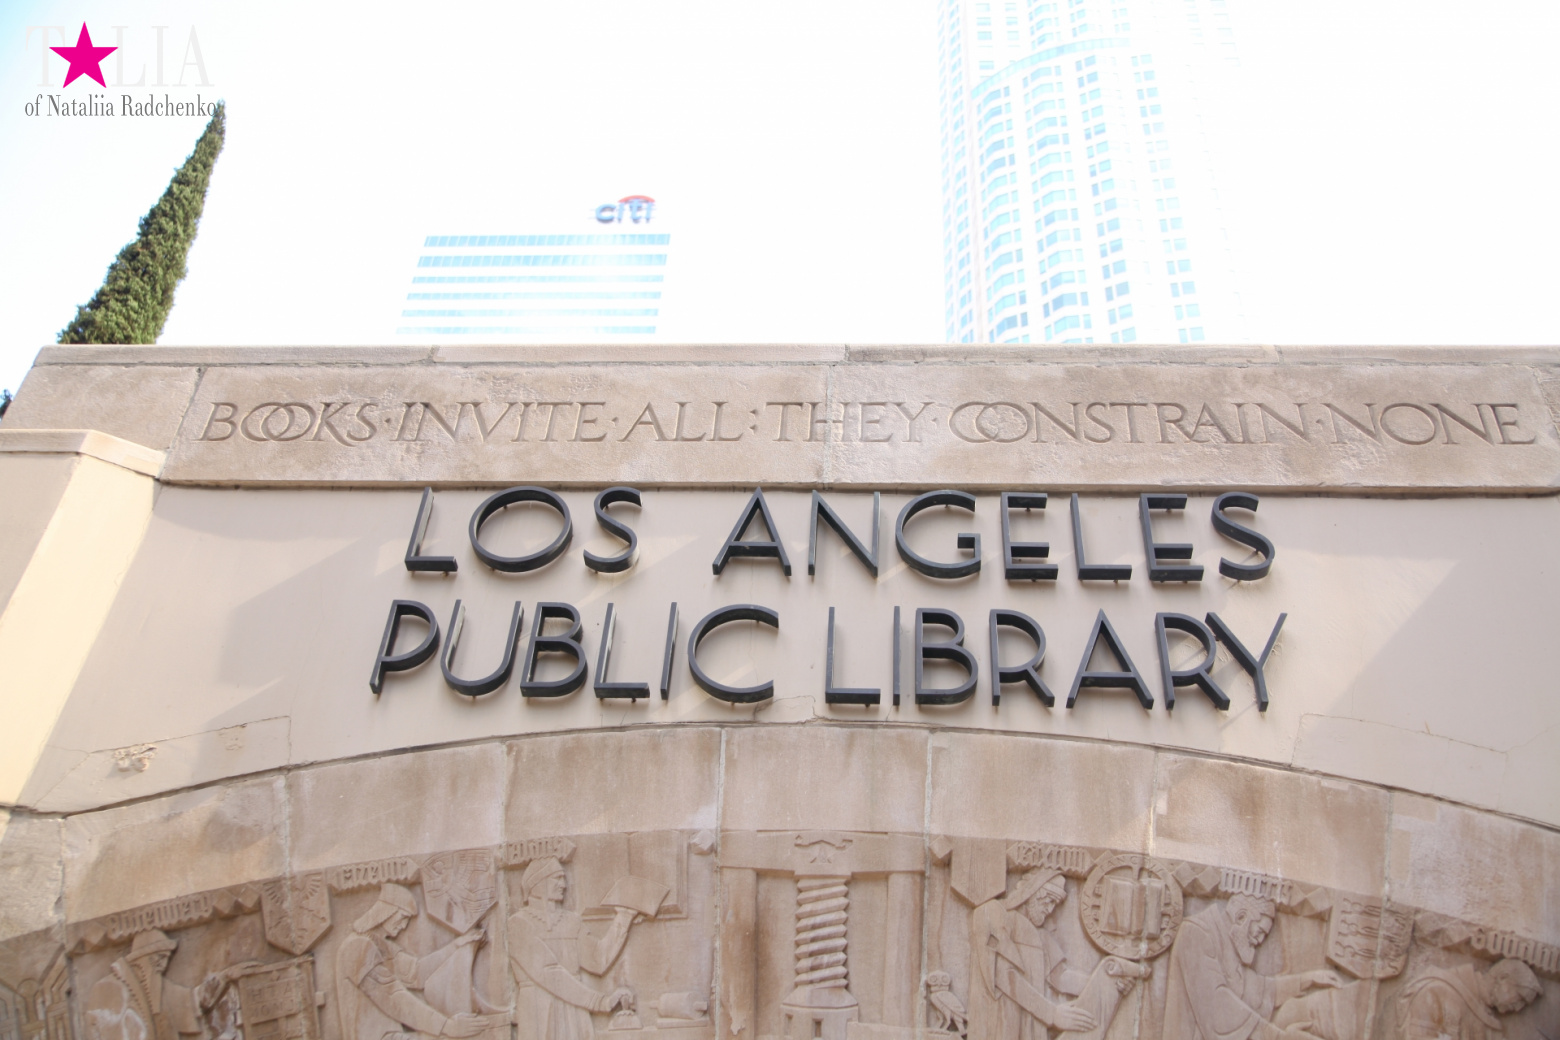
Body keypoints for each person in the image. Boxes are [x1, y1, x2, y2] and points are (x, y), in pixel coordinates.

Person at [335, 883, 503, 1040]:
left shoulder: (381, 945)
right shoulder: (357, 947)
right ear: (385, 912)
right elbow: (392, 996)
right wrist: (447, 1026)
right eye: (402, 917)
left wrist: (456, 945)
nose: (404, 926)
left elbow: (416, 972)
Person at [1163, 894, 1341, 1040]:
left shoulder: (1226, 943)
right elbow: (1217, 1005)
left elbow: (1259, 989)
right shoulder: (1197, 932)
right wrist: (1277, 1037)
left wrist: (1306, 980)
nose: (1260, 940)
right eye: (1260, 931)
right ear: (1241, 917)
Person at [507, 857, 637, 1040]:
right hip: (539, 1009)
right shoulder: (518, 923)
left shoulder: (571, 921)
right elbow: (548, 972)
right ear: (537, 882)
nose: (564, 885)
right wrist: (601, 1001)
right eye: (557, 878)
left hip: (574, 1009)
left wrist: (624, 918)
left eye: (564, 878)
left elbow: (597, 959)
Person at [967, 869, 1097, 1040]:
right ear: (1033, 892)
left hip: (1031, 1029)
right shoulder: (992, 913)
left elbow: (1061, 977)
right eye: (1048, 901)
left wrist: (1105, 982)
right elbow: (1002, 974)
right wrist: (1051, 1014)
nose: (1050, 910)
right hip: (1001, 1024)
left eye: (1054, 904)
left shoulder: (1042, 936)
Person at [85, 930, 223, 1040]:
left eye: (167, 958)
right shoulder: (108, 987)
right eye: (159, 957)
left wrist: (207, 992)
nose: (163, 964)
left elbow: (185, 999)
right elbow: (99, 1028)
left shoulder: (158, 988)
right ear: (142, 958)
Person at [1397, 958, 1541, 1040]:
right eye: (1520, 998)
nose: (1518, 1008)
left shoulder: (1488, 1021)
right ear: (1503, 978)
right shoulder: (1436, 992)